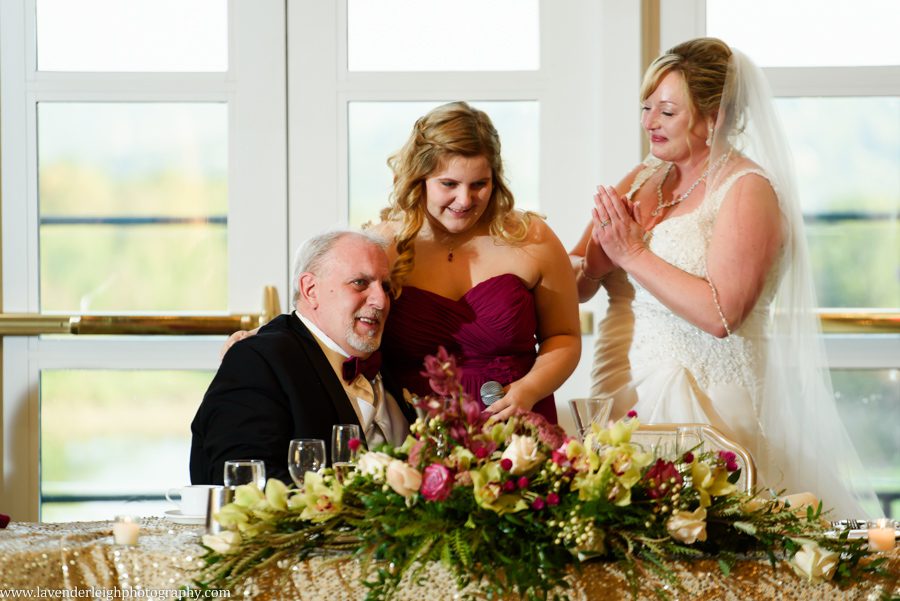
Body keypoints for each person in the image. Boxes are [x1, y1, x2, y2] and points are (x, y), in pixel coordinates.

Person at [569, 37, 879, 518]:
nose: (649, 122)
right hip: (632, 391)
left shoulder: (747, 189)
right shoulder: (644, 177)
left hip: (712, 404)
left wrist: (631, 252)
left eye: (667, 111)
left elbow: (721, 314)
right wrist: (588, 260)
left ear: (715, 117)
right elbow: (582, 283)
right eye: (647, 106)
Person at [369, 101, 581, 425]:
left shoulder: (532, 237)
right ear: (420, 178)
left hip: (516, 430)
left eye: (479, 184)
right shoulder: (383, 246)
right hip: (413, 434)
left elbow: (564, 336)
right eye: (449, 184)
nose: (465, 201)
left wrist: (529, 390)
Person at [190, 230, 415, 485]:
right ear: (310, 290)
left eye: (385, 287)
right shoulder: (258, 361)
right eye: (360, 283)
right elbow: (242, 482)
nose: (381, 300)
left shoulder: (388, 363)